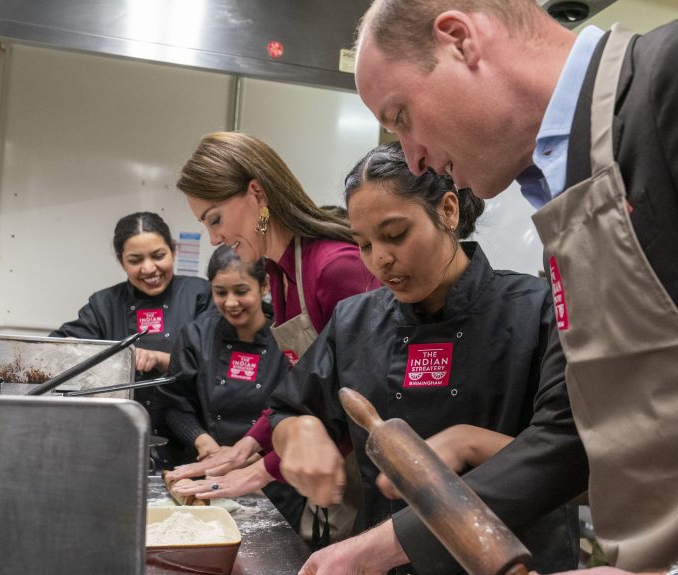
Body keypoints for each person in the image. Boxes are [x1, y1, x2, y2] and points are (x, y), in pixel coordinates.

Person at [293, 1, 678, 574]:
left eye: (402, 117)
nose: (414, 157)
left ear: (459, 40)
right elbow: (571, 435)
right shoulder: (574, 194)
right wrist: (382, 547)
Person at [250, 141, 578, 573]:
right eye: (364, 244)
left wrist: (469, 444)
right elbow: (289, 410)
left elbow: (576, 461)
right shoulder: (355, 321)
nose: (380, 261)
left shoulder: (536, 310)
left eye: (395, 235)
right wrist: (299, 431)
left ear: (447, 210)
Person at [168, 131, 378, 543]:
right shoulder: (282, 276)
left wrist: (265, 468)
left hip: (366, 472)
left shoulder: (333, 266)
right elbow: (299, 389)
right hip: (326, 471)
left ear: (257, 193)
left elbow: (365, 395)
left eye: (215, 219)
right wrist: (246, 446)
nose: (214, 240)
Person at [50, 211, 211, 468]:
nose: (149, 269)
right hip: (117, 441)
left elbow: (214, 366)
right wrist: (117, 360)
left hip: (192, 443)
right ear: (121, 261)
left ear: (173, 250)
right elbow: (59, 349)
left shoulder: (199, 295)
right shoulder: (104, 304)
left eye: (159, 256)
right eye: (135, 260)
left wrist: (161, 359)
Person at [158, 244, 303, 525]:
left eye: (241, 291)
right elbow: (175, 404)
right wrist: (206, 445)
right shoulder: (197, 335)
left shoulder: (287, 336)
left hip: (273, 481)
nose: (231, 302)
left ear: (263, 285)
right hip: (209, 477)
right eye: (220, 292)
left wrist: (254, 455)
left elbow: (295, 409)